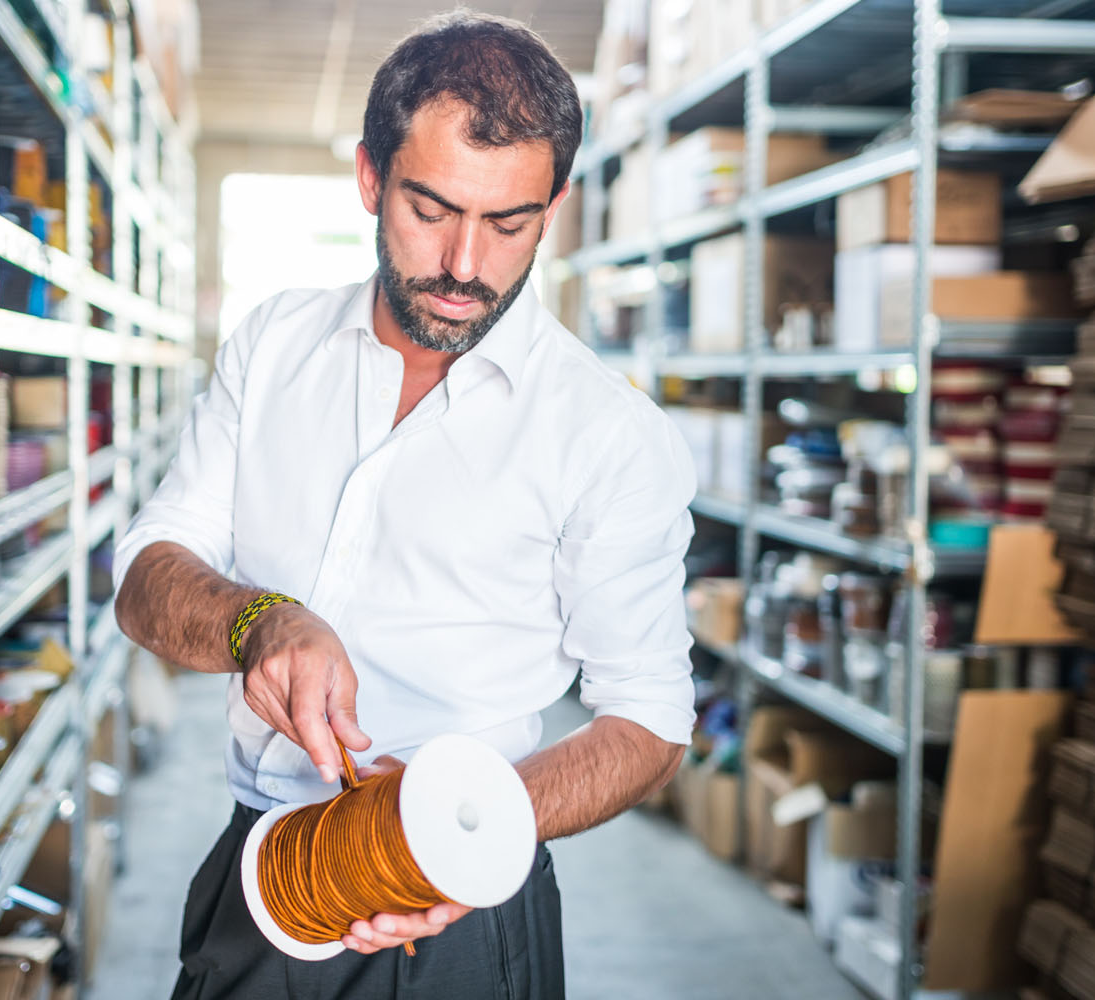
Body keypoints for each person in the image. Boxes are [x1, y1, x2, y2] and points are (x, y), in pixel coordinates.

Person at [113, 11, 696, 999]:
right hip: (262, 872)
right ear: (370, 178)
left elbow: (649, 723)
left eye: (508, 223)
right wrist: (257, 620)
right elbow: (145, 578)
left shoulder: (608, 434)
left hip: (466, 909)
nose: (467, 263)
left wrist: (468, 822)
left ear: (550, 209)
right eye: (431, 208)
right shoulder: (274, 346)